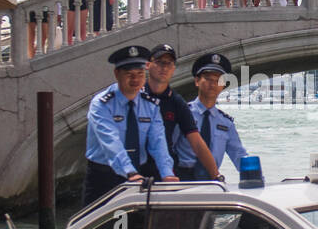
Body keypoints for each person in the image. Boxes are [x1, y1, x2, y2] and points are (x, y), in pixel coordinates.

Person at [82, 45, 177, 206]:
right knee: (95, 228)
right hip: (104, 176)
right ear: (117, 74)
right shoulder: (102, 104)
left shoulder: (151, 105)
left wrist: (167, 174)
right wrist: (129, 172)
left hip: (137, 174)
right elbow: (111, 142)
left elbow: (158, 143)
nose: (135, 80)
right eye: (129, 74)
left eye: (140, 74)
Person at [140, 44, 219, 181]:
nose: (164, 68)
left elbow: (196, 142)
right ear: (148, 65)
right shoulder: (136, 96)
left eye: (169, 64)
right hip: (135, 171)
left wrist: (216, 176)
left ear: (173, 69)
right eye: (159, 62)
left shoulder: (176, 102)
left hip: (164, 172)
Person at [175, 53, 249, 180]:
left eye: (218, 80)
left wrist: (255, 177)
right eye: (208, 78)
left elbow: (238, 155)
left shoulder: (226, 123)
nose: (213, 84)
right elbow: (168, 147)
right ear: (197, 81)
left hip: (212, 181)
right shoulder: (182, 113)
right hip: (182, 179)